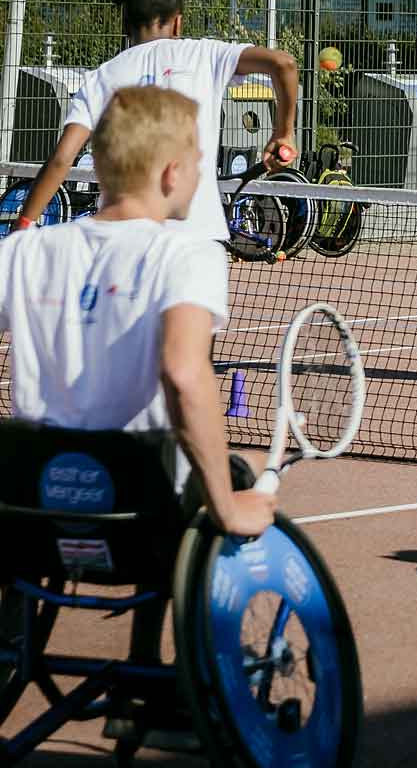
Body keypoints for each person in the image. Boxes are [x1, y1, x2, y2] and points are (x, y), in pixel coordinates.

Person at [0, 87, 276, 748]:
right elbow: (185, 373)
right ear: (172, 173)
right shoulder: (187, 254)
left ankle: (13, 644)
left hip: (28, 523)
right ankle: (161, 683)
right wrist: (227, 501)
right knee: (223, 478)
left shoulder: (22, 253)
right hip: (139, 528)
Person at [13, 0, 300, 241]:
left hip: (123, 241)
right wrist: (283, 134)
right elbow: (284, 64)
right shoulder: (207, 55)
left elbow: (62, 159)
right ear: (177, 23)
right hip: (196, 241)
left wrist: (23, 225)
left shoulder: (101, 77)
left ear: (125, 22)